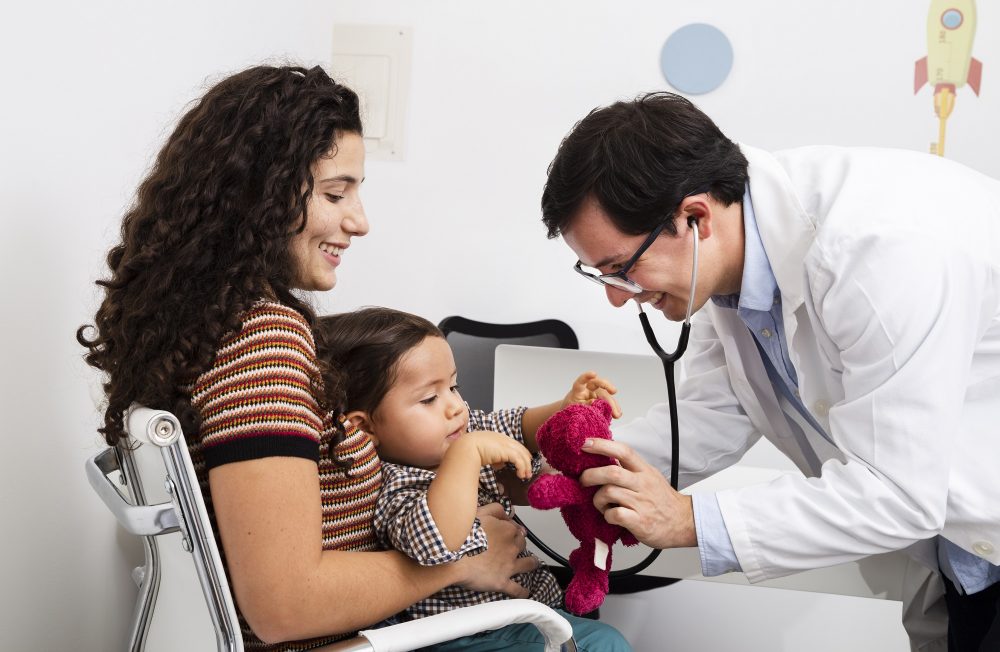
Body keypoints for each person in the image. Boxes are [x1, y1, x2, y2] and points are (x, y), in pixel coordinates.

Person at [77, 64, 541, 651]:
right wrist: (460, 562)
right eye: (334, 192)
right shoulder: (263, 339)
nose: (360, 220)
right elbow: (285, 606)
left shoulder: (204, 322)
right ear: (259, 195)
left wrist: (526, 430)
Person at [539, 91, 1000, 651]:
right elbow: (719, 408)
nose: (618, 298)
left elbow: (898, 494)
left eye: (622, 270)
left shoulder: (877, 253)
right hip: (961, 554)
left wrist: (690, 520)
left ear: (694, 217)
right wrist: (565, 471)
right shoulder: (730, 261)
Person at [314, 306, 632, 651]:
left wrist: (564, 406)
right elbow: (435, 542)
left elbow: (516, 425)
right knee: (601, 644)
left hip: (517, 617)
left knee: (604, 640)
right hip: (458, 635)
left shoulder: (458, 434)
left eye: (454, 386)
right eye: (429, 398)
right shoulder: (395, 481)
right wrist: (468, 454)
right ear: (365, 427)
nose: (455, 406)